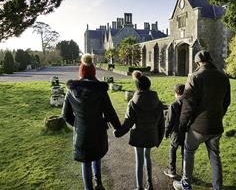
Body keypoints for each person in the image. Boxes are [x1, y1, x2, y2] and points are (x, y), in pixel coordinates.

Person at [173, 50, 231, 190]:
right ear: (210, 60)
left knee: (189, 151)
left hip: (197, 127)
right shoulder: (223, 77)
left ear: (197, 62)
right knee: (215, 156)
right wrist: (219, 115)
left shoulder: (195, 77)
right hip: (216, 125)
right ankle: (217, 187)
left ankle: (186, 184)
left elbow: (188, 105)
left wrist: (182, 123)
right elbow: (227, 101)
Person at [62, 54, 121, 190]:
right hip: (98, 131)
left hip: (81, 133)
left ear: (81, 72)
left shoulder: (71, 90)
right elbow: (110, 112)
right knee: (97, 156)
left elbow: (65, 115)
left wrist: (77, 124)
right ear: (93, 72)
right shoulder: (100, 90)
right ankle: (98, 183)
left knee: (86, 162)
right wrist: (119, 128)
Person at [114, 71, 165, 190]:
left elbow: (128, 122)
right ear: (149, 85)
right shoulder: (158, 102)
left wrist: (118, 133)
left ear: (137, 86)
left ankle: (139, 187)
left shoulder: (133, 102)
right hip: (152, 135)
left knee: (139, 160)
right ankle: (150, 184)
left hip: (138, 135)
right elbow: (161, 123)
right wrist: (159, 138)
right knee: (148, 157)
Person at [163, 84, 185, 179]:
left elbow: (169, 121)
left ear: (177, 93)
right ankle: (185, 172)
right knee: (185, 152)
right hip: (187, 132)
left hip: (176, 132)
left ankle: (172, 170)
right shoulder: (190, 104)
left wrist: (166, 133)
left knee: (172, 149)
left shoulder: (174, 105)